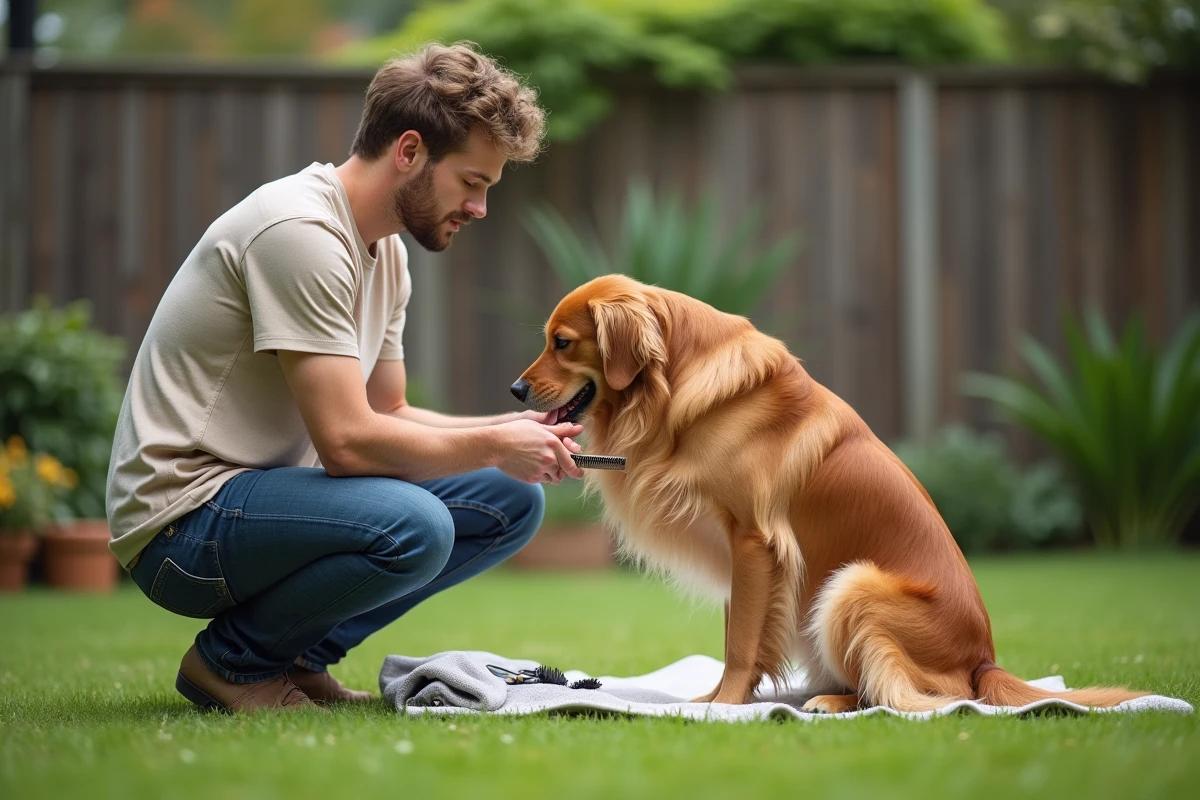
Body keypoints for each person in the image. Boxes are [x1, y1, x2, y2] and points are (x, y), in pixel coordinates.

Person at [105, 42, 585, 714]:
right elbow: (349, 445)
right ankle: (231, 665)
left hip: (257, 504)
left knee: (508, 497)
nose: (479, 209)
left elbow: (387, 410)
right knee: (416, 523)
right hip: (182, 526)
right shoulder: (299, 232)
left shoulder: (386, 253)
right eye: (472, 183)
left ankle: (297, 658)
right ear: (410, 152)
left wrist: (511, 434)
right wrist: (493, 443)